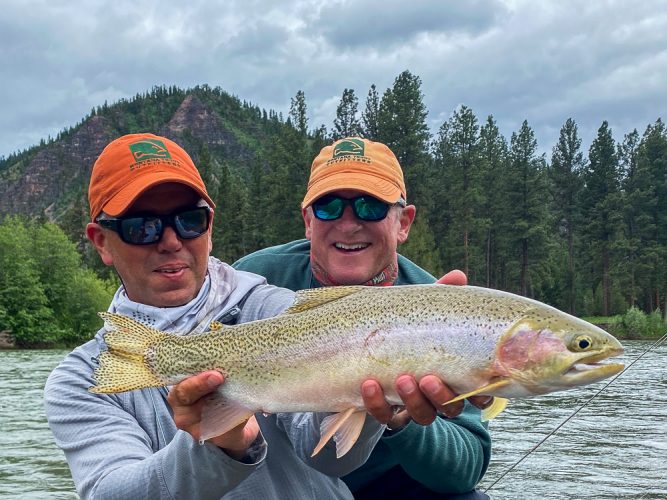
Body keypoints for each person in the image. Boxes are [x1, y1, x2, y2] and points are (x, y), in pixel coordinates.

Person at [44, 133, 388, 499]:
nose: (171, 241)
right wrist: (219, 446)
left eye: (190, 220)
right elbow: (113, 492)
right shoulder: (85, 377)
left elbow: (332, 459)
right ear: (101, 241)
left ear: (209, 227)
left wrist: (369, 401)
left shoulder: (273, 311)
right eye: (141, 227)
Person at [234, 137, 493, 498]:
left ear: (403, 222)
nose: (349, 224)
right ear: (308, 220)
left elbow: (467, 466)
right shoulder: (255, 280)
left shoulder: (438, 309)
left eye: (370, 206)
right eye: (329, 207)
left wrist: (401, 420)